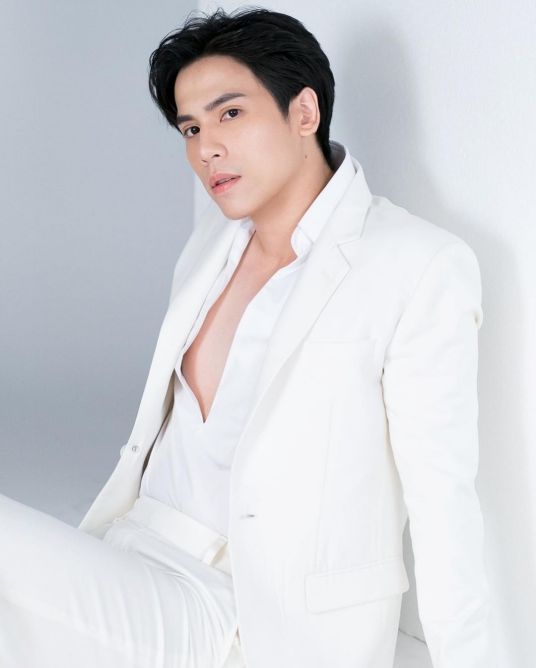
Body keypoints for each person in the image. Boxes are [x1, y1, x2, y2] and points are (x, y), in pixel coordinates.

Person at [0, 6, 494, 668]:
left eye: (229, 114)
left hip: (244, 616)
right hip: (130, 554)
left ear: (304, 112)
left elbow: (443, 504)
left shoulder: (416, 265)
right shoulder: (212, 244)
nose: (205, 148)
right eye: (191, 128)